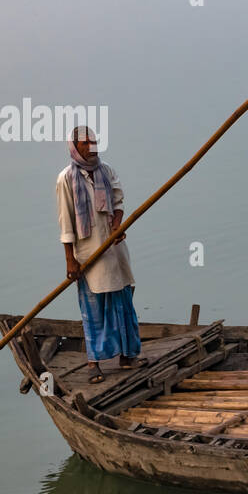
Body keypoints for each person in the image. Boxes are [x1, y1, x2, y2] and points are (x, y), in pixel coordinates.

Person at [56, 126, 147, 383]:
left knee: (123, 300)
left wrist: (118, 225)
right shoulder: (66, 178)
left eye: (93, 142)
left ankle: (128, 355)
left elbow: (118, 202)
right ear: (74, 146)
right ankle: (93, 362)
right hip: (88, 252)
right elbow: (66, 223)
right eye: (84, 143)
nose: (90, 146)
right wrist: (70, 259)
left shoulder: (106, 171)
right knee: (93, 307)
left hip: (114, 248)